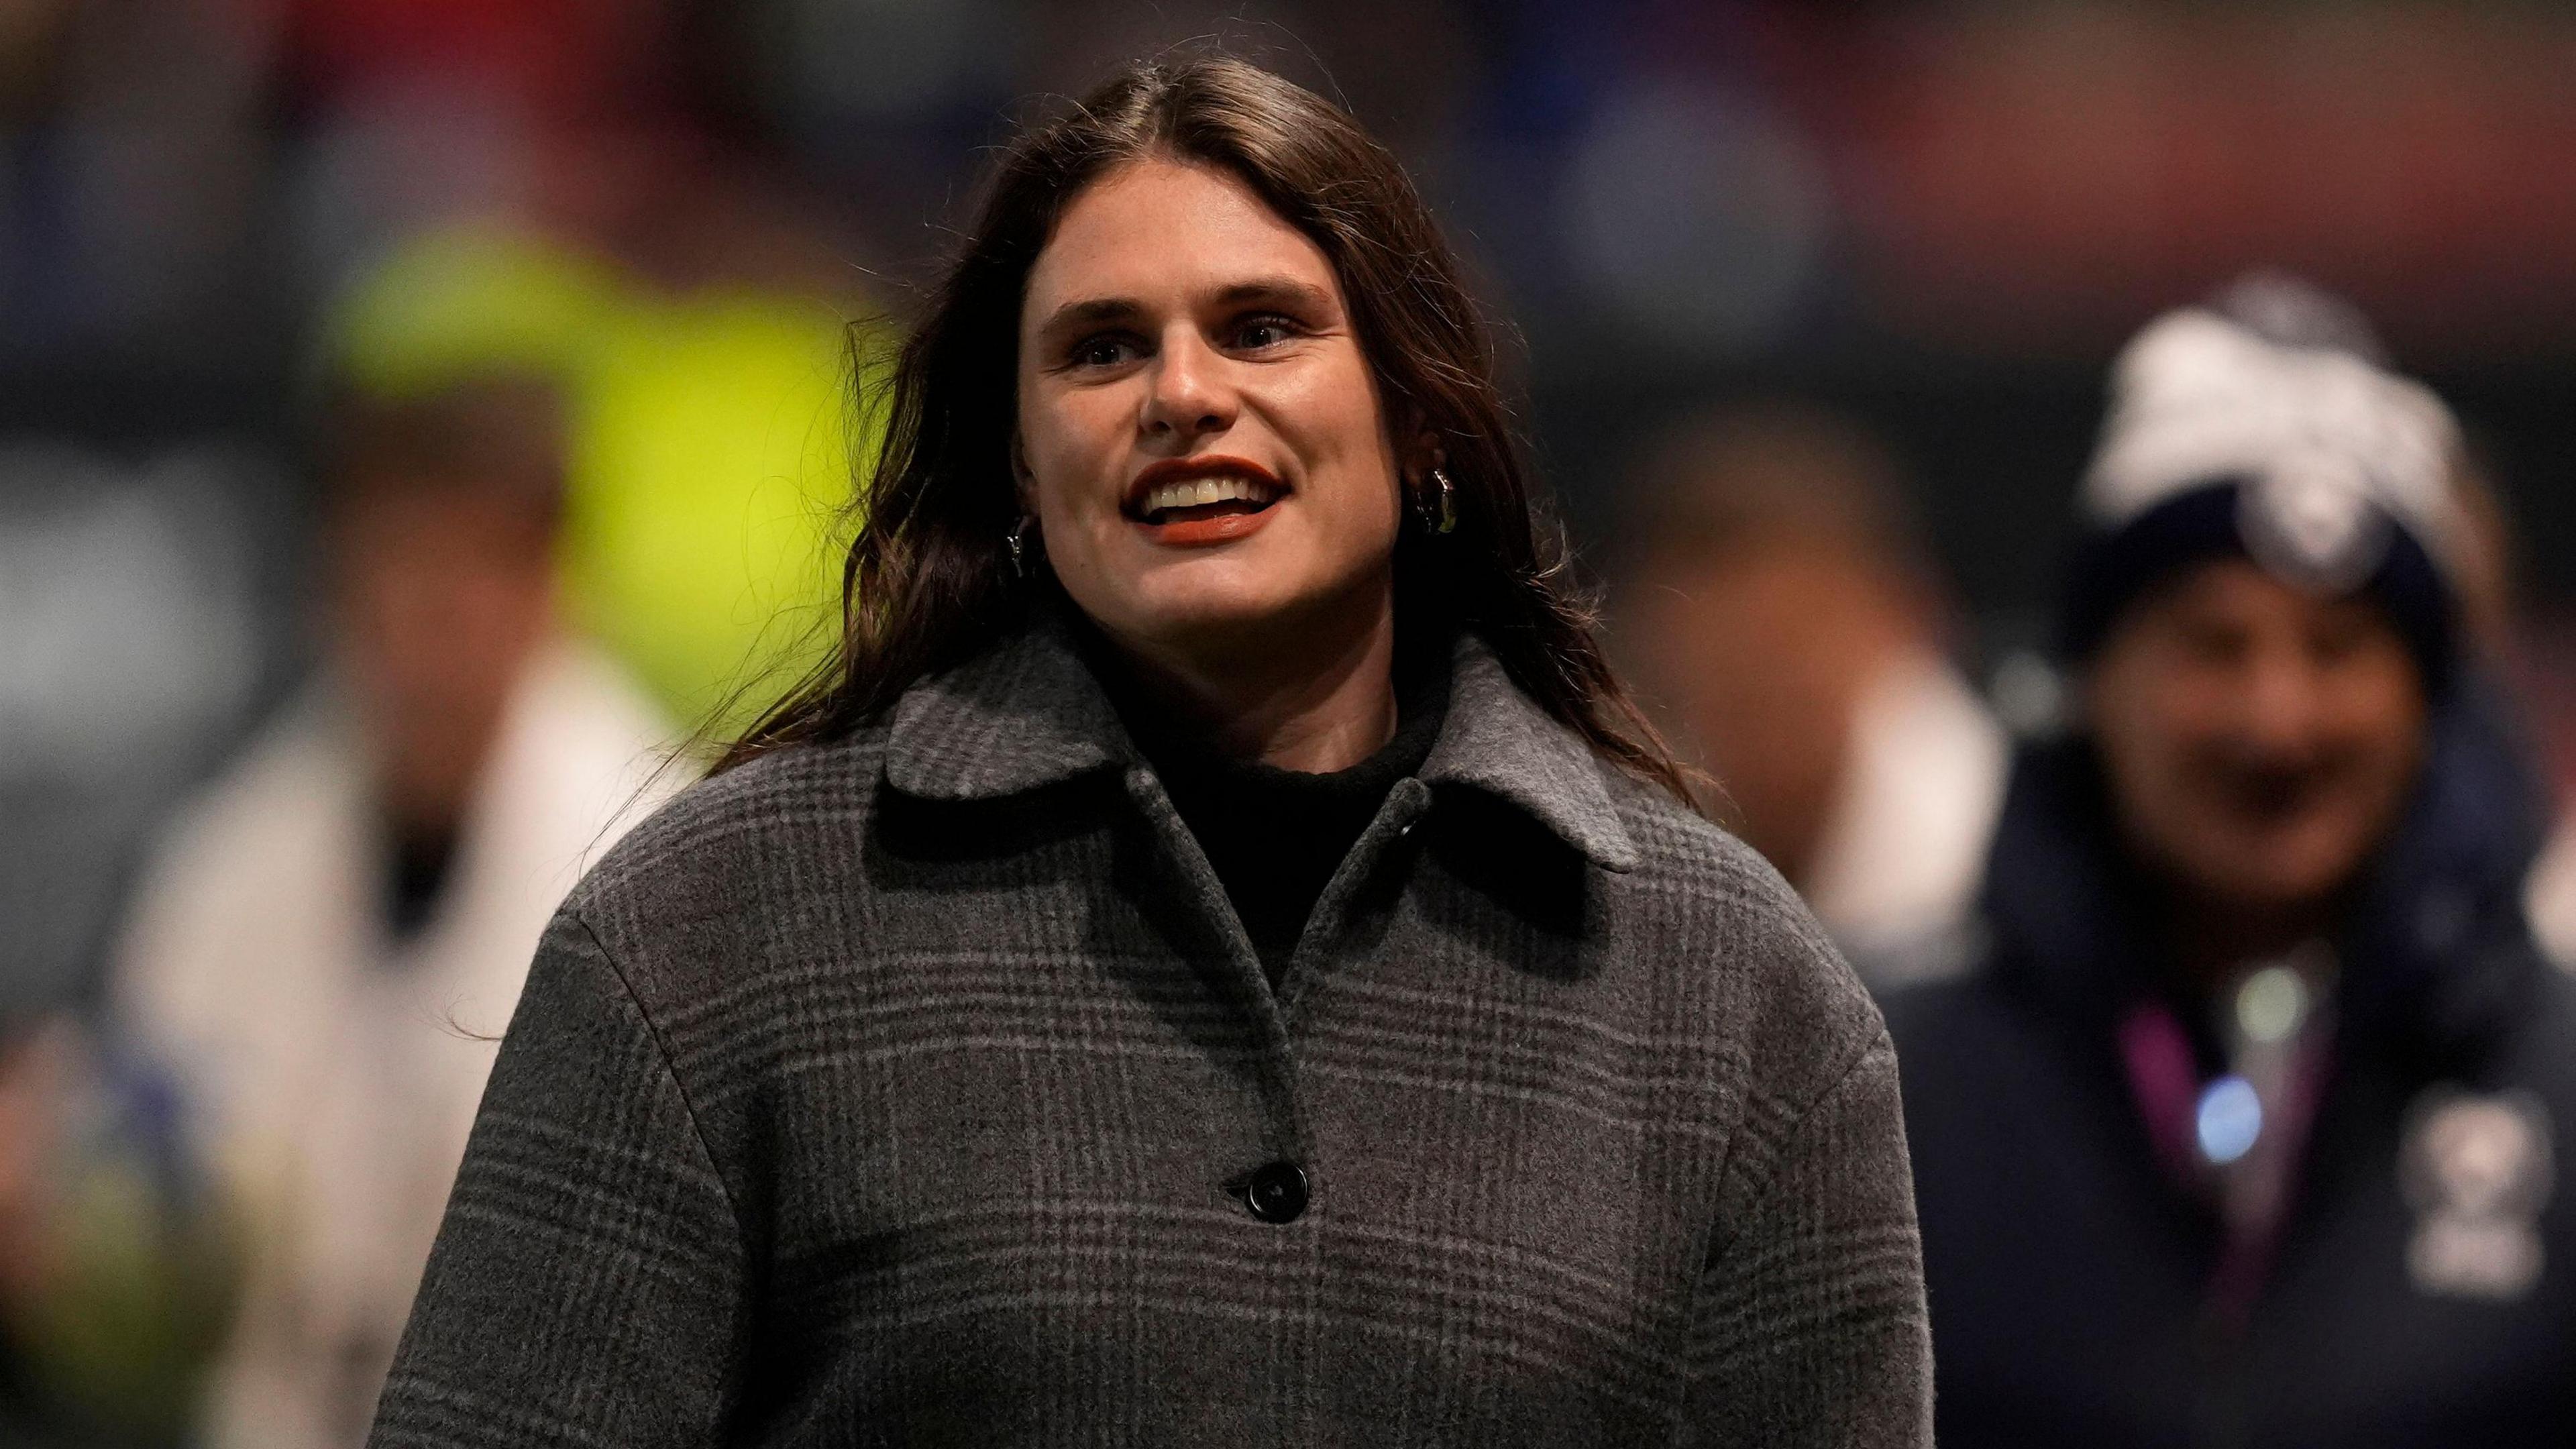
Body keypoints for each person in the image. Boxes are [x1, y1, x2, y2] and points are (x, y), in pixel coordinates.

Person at [369, 56, 1931, 1446]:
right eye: (1102, 349)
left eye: (1261, 327)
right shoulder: (702, 936)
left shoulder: (1741, 999)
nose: (1183, 394)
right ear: (1017, 459)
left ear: (1419, 419)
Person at [1884, 285, 2576, 1444]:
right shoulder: (1891, 1086)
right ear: (2092, 680)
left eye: (2339, 646)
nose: (2277, 722)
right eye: (2212, 643)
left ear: (2432, 703)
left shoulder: (2565, 1084)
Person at [108, 363, 672, 1448]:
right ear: (335, 582)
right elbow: (153, 1221)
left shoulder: (662, 859)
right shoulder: (234, 861)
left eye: (476, 568)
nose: (432, 618)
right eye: (397, 565)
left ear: (553, 583)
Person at [1613, 401, 2005, 977]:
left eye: (1799, 637)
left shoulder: (2003, 869)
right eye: (1732, 662)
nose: (1770, 688)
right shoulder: (1611, 814)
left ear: (1909, 624)